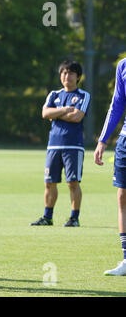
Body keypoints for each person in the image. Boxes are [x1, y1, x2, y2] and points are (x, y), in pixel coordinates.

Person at [30, 60, 90, 227]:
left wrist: (55, 113)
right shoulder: (54, 94)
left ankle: (74, 218)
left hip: (73, 145)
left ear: (78, 76)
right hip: (53, 145)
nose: (66, 76)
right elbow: (44, 112)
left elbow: (77, 116)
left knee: (73, 182)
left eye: (70, 73)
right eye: (64, 72)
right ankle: (47, 217)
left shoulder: (84, 95)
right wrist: (65, 110)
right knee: (49, 182)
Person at [94, 57, 126, 276]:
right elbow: (117, 103)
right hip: (125, 141)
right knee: (122, 198)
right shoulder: (123, 65)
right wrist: (103, 140)